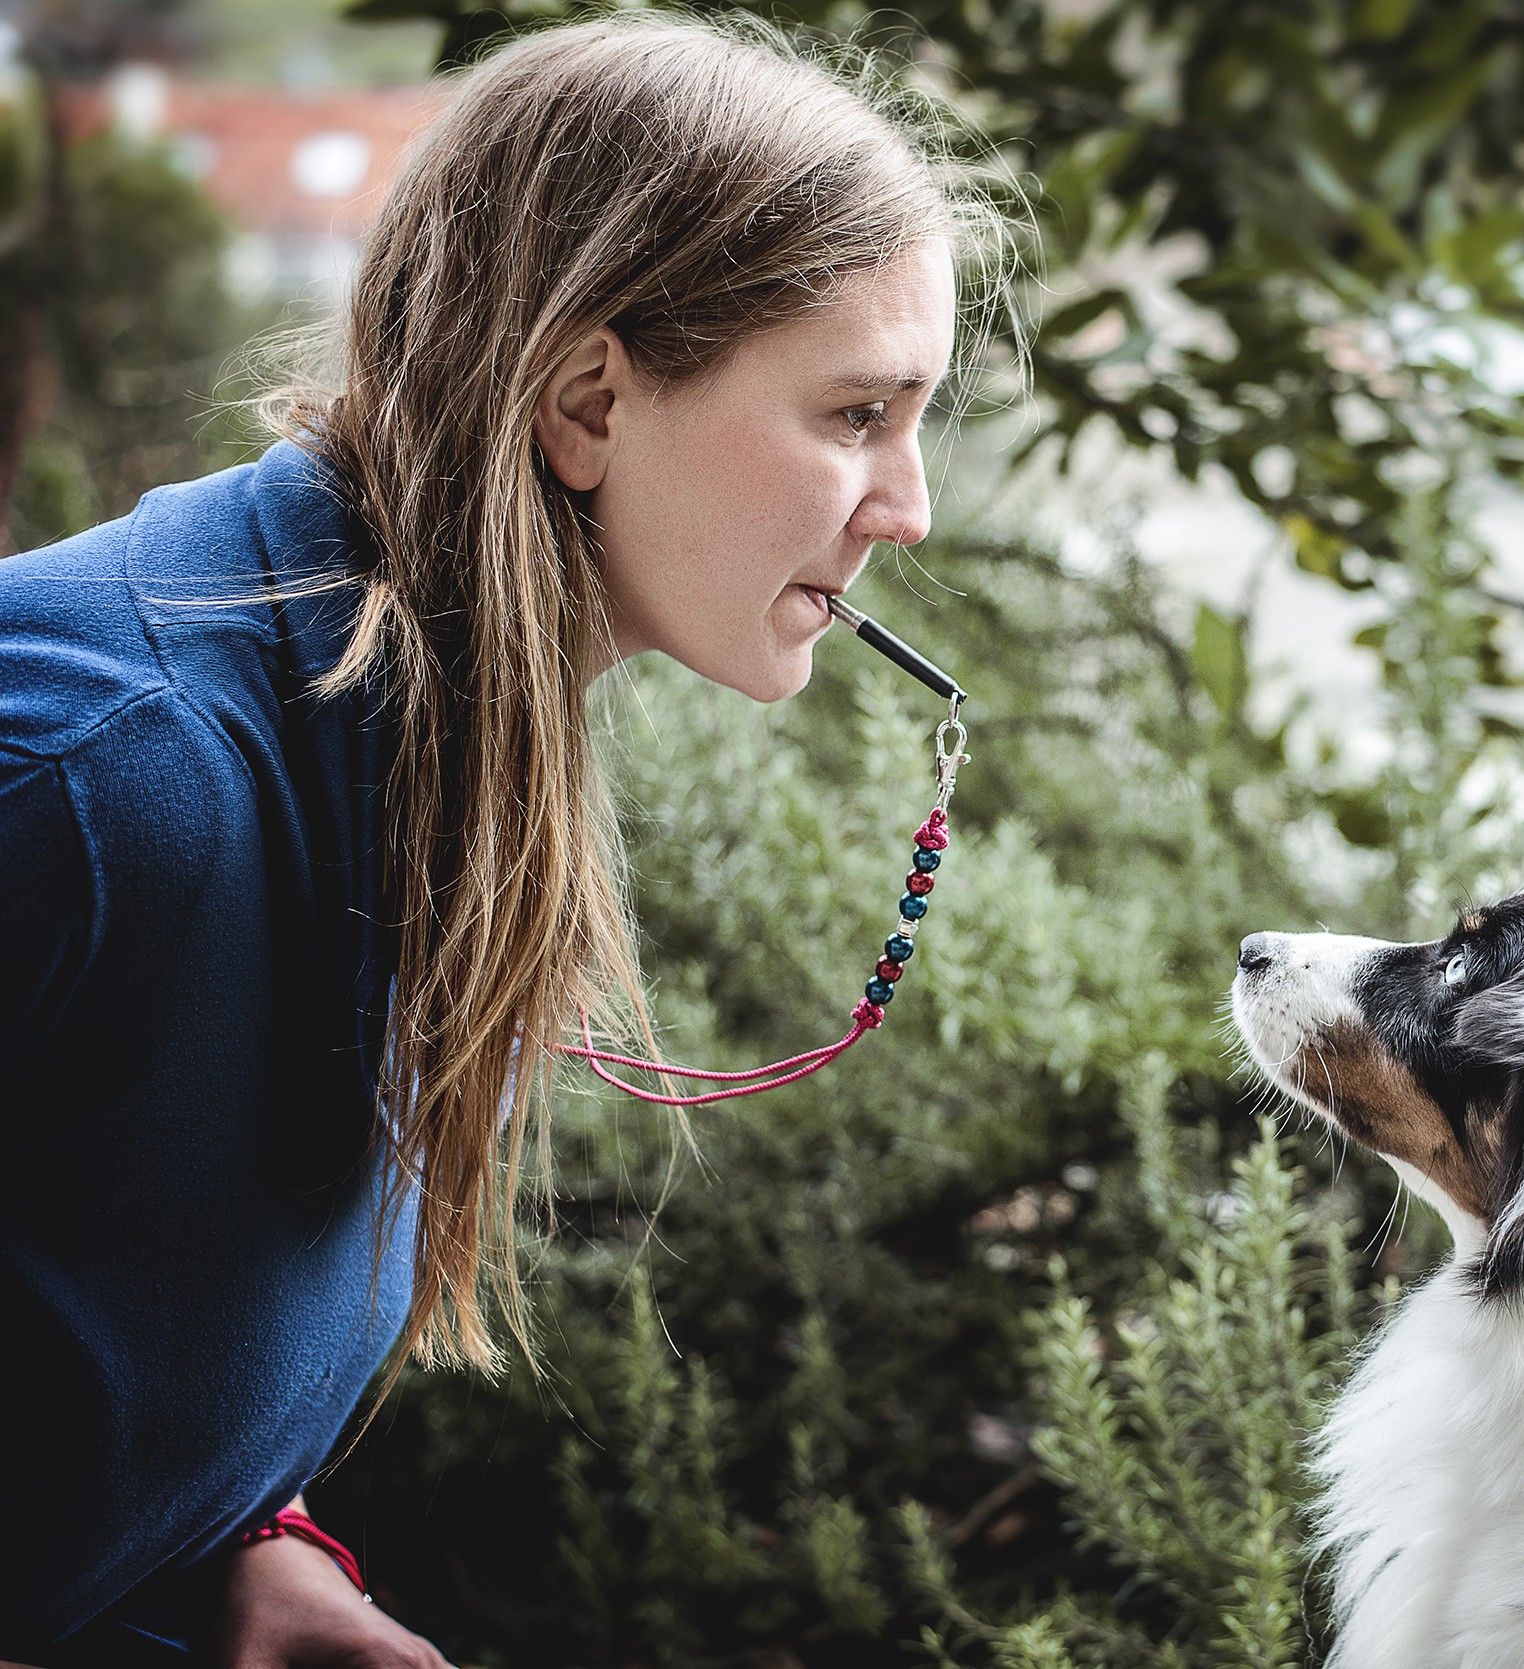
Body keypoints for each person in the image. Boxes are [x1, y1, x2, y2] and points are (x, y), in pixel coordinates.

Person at [0, 15, 992, 1663]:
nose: (909, 504)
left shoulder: (428, 744)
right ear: (588, 402)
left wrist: (247, 1563)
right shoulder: (99, 777)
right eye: (854, 413)